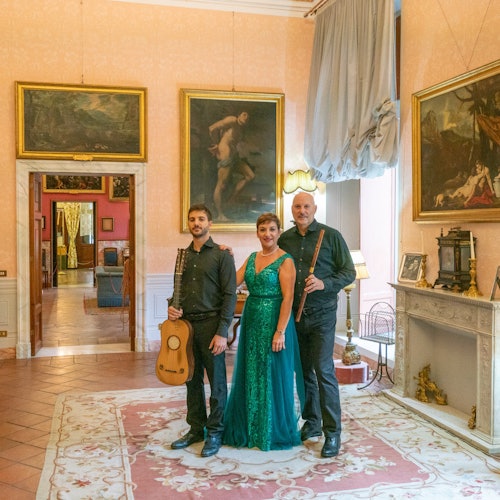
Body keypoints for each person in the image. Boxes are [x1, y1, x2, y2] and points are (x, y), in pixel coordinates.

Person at [278, 192, 356, 458]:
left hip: (322, 314)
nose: (302, 211)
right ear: (292, 209)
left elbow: (349, 272)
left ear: (315, 208)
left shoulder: (331, 236)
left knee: (324, 371)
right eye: (298, 206)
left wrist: (324, 283)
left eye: (306, 206)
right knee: (304, 372)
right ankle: (312, 423)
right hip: (295, 316)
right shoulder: (285, 239)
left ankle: (333, 433)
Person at [223, 213, 304, 451]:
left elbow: (288, 298)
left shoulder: (285, 260)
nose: (267, 234)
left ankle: (270, 430)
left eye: (271, 229)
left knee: (272, 374)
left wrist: (280, 332)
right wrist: (227, 258)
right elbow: (232, 283)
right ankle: (250, 426)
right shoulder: (251, 258)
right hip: (251, 320)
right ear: (257, 233)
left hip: (275, 322)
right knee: (251, 371)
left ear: (279, 232)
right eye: (262, 230)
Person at [169, 204, 237, 457]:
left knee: (217, 382)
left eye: (201, 219)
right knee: (191, 379)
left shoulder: (222, 255)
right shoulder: (182, 256)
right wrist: (172, 307)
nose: (196, 223)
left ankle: (216, 431)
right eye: (192, 219)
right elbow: (177, 291)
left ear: (210, 223)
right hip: (186, 327)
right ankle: (196, 429)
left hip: (212, 326)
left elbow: (230, 295)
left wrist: (222, 331)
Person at [208, 111, 255, 221]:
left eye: (248, 116)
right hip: (226, 153)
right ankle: (220, 215)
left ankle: (231, 200)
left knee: (250, 176)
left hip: (234, 156)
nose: (246, 117)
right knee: (221, 184)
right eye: (244, 114)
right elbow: (212, 128)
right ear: (238, 115)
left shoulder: (241, 128)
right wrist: (215, 144)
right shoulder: (232, 120)